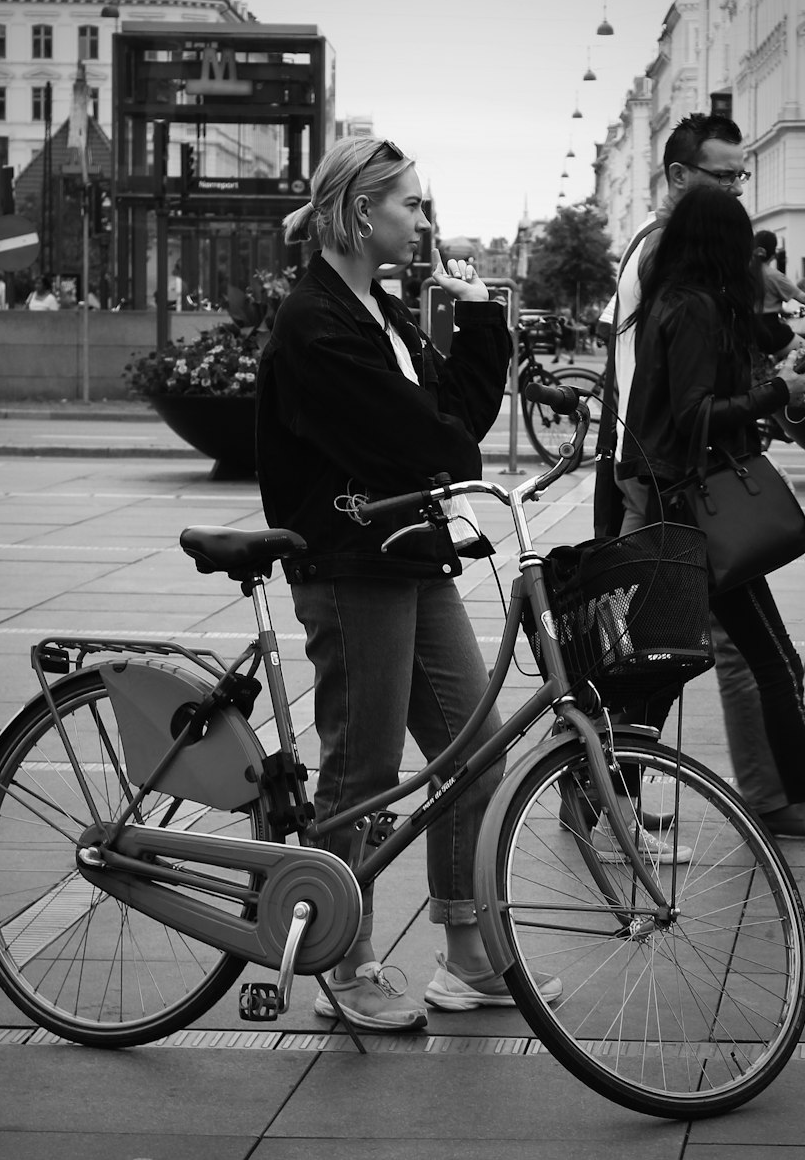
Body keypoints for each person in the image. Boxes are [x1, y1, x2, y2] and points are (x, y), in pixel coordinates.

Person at [256, 136, 561, 1031]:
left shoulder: (379, 311)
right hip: (354, 564)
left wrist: (479, 319)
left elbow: (455, 421)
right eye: (413, 205)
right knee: (363, 767)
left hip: (412, 554)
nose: (426, 221)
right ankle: (342, 958)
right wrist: (445, 436)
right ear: (361, 212)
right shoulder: (318, 324)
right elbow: (432, 444)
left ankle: (464, 953)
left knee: (474, 744)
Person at [619, 184, 805, 869]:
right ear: (722, 244)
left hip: (676, 504)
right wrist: (780, 392)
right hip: (692, 508)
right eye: (744, 243)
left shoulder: (682, 302)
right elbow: (691, 414)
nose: (751, 256)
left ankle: (607, 795)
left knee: (679, 664)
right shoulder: (690, 309)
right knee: (764, 662)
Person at [592, 113, 805, 839]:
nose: (738, 190)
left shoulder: (676, 275)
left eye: (742, 176)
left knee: (694, 658)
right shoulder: (667, 269)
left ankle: (780, 802)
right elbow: (677, 395)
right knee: (681, 659)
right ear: (681, 179)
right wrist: (775, 392)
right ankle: (612, 800)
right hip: (670, 485)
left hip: (663, 480)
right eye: (725, 177)